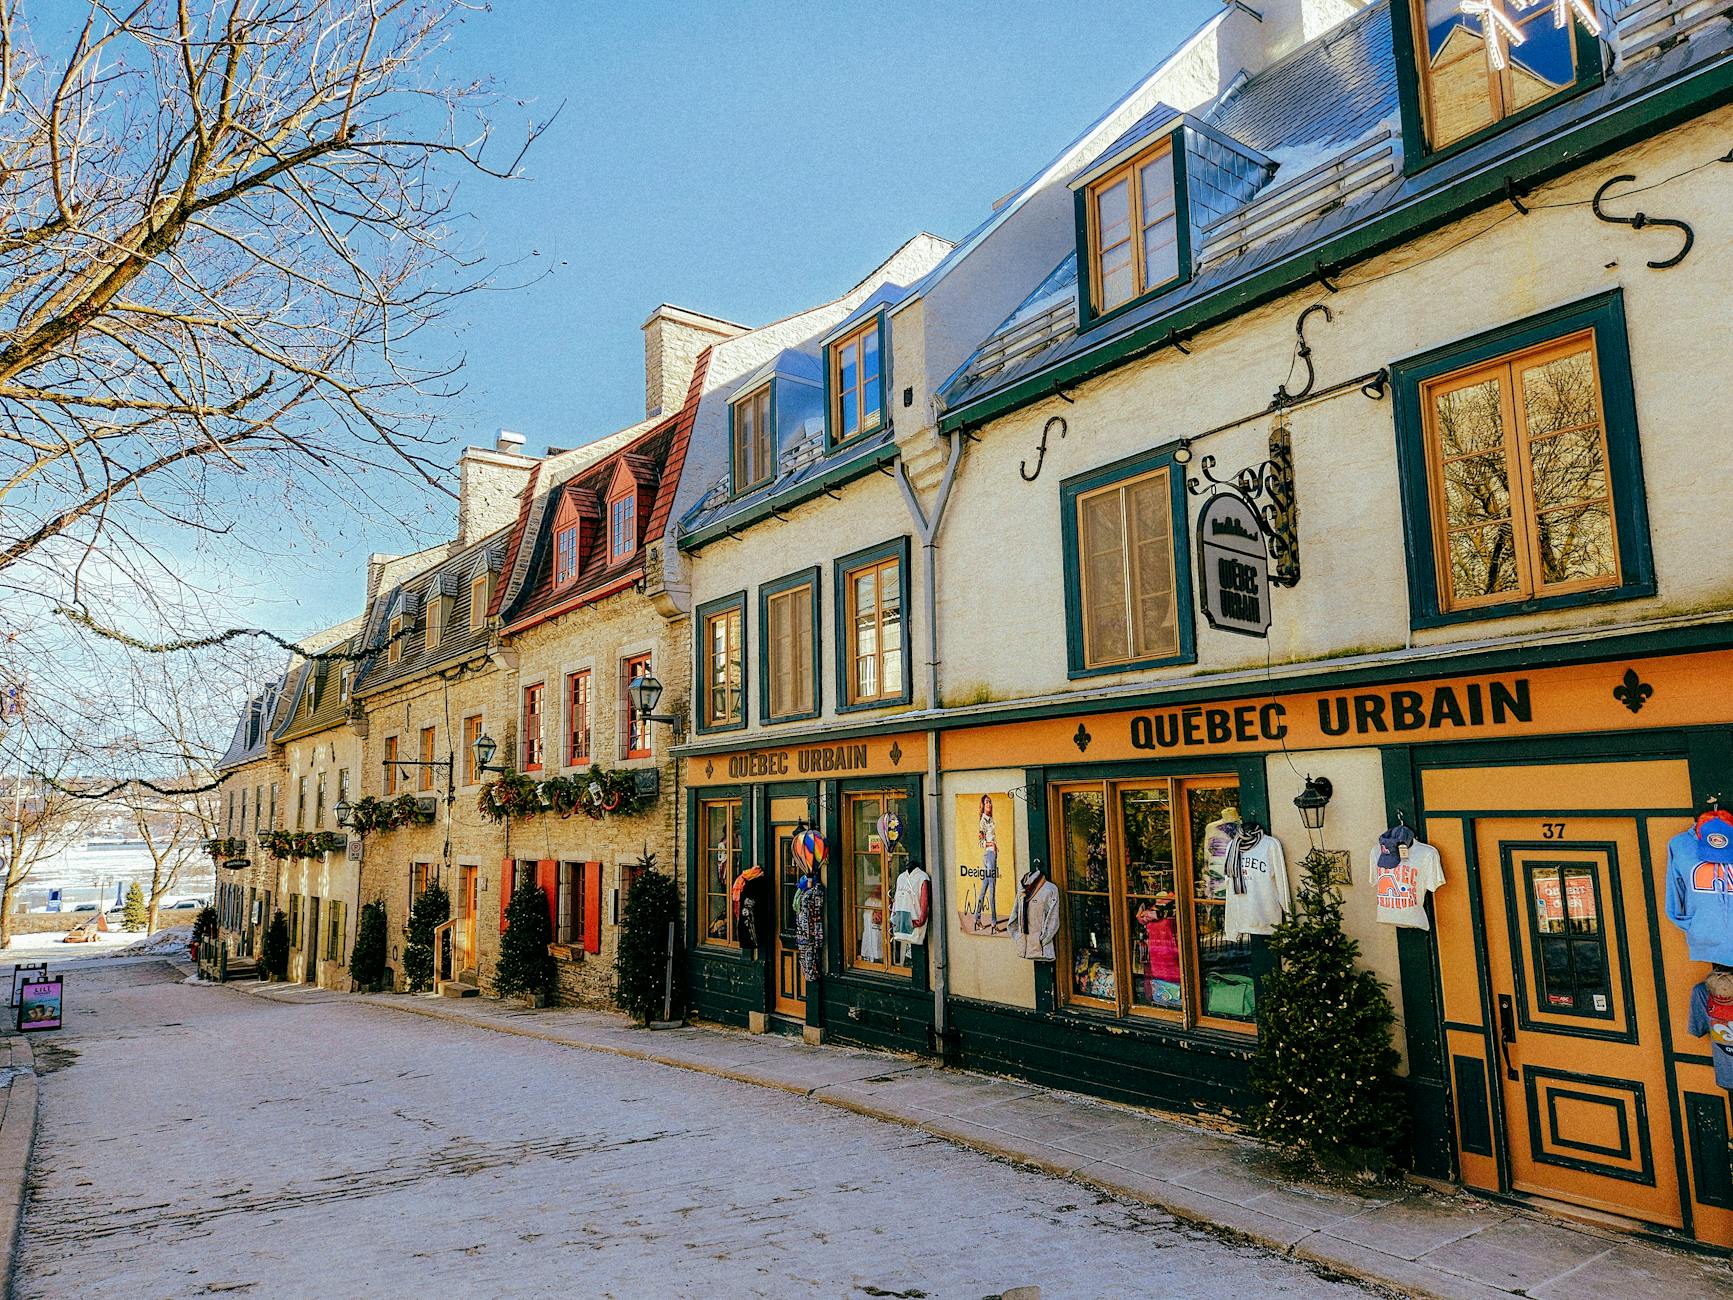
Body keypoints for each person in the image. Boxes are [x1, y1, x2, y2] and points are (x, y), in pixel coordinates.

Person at [972, 794, 1004, 932]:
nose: (989, 804)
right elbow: (981, 842)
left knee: (984, 888)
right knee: (992, 889)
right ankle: (994, 922)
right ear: (982, 805)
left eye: (990, 802)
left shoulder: (991, 819)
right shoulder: (983, 821)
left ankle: (977, 918)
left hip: (992, 855)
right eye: (986, 802)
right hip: (989, 855)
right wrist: (992, 844)